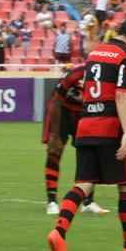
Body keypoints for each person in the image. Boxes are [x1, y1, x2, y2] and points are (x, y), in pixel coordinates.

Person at [44, 17, 126, 251]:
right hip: (110, 126)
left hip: (85, 124)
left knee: (83, 183)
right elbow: (122, 95)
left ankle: (59, 231)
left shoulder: (96, 52)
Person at [41, 64, 109, 216]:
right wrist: (55, 133)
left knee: (90, 154)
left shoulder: (106, 76)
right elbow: (56, 100)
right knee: (54, 152)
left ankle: (88, 202)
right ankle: (51, 201)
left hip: (83, 115)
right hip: (62, 112)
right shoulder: (75, 74)